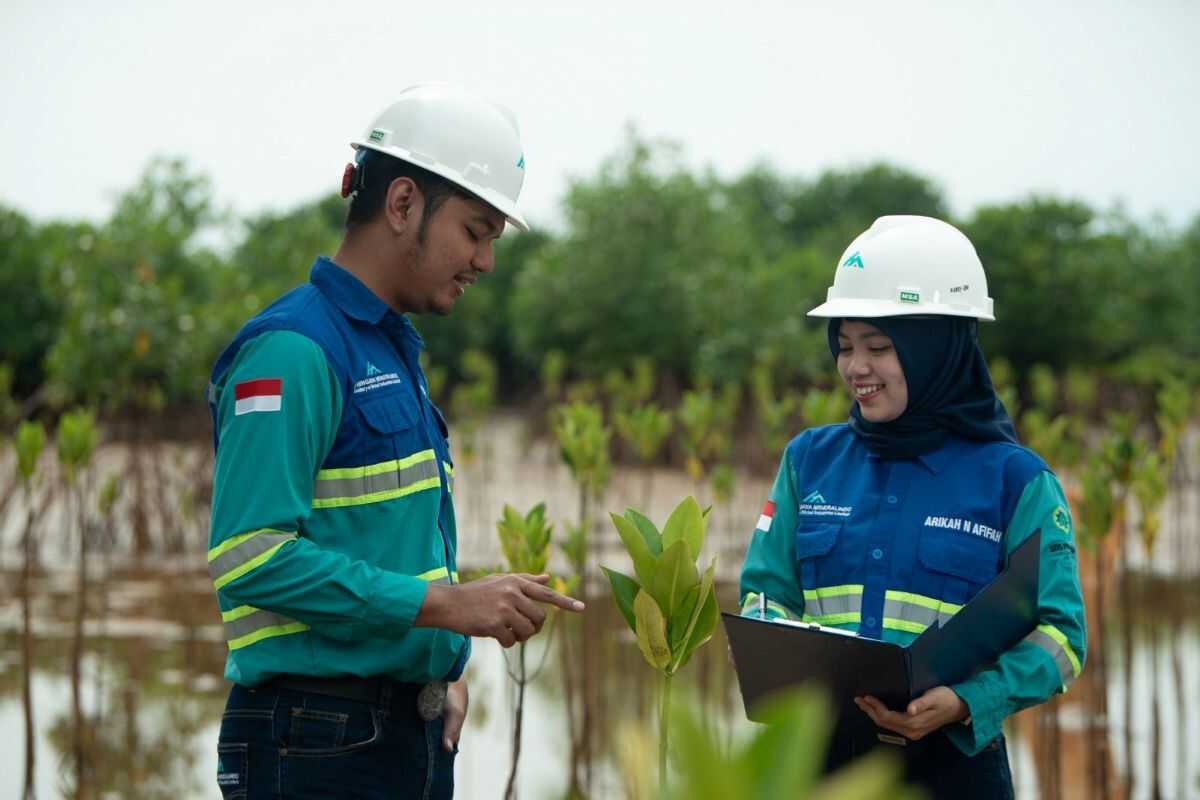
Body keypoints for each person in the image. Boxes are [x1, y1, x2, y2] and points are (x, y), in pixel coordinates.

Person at [206, 84, 584, 800]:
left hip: (402, 726)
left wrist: (440, 672)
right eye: (476, 231)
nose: (486, 261)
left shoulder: (387, 348)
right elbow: (249, 557)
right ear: (403, 203)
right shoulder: (292, 351)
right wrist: (447, 609)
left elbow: (380, 540)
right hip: (315, 738)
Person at [739, 215, 1086, 798]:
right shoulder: (809, 461)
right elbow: (764, 594)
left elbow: (1062, 638)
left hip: (953, 772)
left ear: (937, 351)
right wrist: (774, 650)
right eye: (845, 346)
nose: (856, 368)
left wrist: (967, 702)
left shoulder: (1016, 481)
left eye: (879, 346)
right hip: (818, 766)